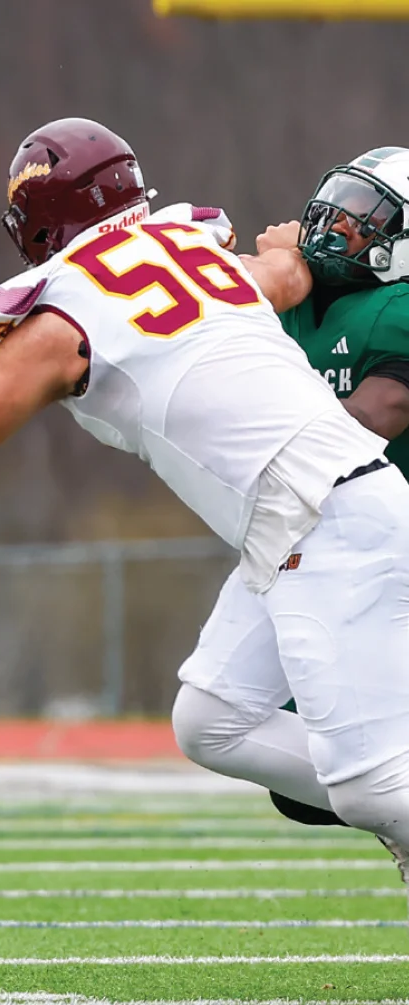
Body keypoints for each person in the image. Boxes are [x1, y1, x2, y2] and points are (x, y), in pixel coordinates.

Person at [0, 117, 409, 914]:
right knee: (211, 719)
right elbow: (285, 275)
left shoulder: (63, 313)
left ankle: (391, 793)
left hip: (325, 518)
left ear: (37, 221)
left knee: (364, 789)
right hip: (309, 517)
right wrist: (281, 251)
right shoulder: (199, 249)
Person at [244, 148, 409, 836]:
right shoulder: (299, 305)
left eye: (366, 216)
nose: (338, 224)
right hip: (322, 554)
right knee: (302, 781)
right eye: (338, 204)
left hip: (388, 551)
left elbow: (377, 413)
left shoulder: (394, 308)